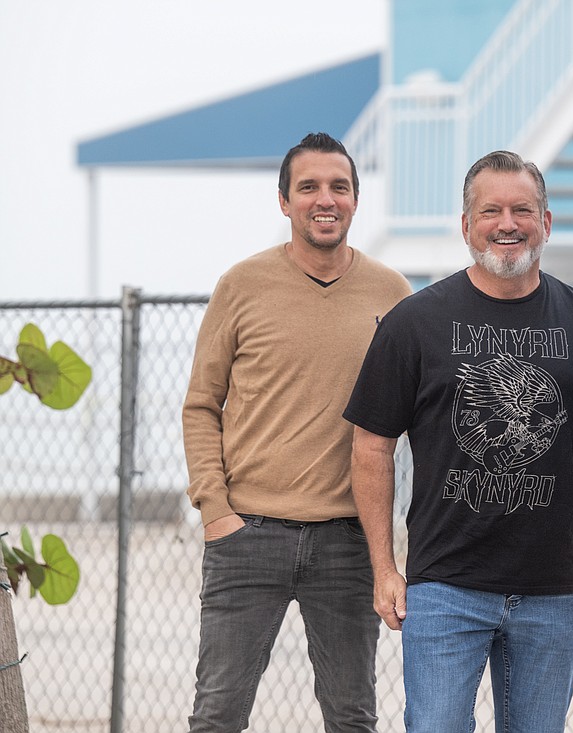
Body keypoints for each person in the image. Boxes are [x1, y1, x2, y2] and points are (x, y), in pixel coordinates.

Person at [343, 150, 573, 733]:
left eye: (522, 209)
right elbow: (371, 446)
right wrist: (384, 568)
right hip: (445, 585)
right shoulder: (414, 323)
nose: (507, 223)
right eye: (490, 210)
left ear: (547, 222)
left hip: (553, 585)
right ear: (465, 226)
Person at [182, 131, 412, 733]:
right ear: (284, 201)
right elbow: (201, 406)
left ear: (357, 200)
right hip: (246, 536)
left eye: (339, 186)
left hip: (347, 543)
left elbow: (420, 418)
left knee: (352, 718)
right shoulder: (241, 285)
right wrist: (215, 511)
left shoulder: (393, 295)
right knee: (216, 716)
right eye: (308, 187)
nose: (324, 199)